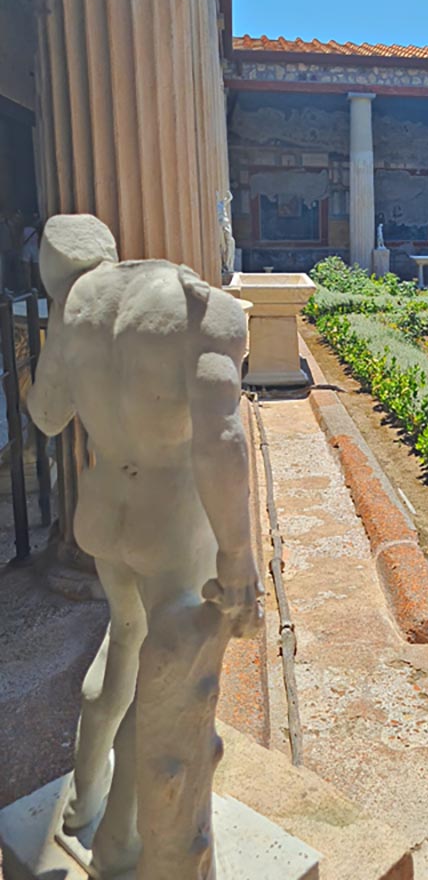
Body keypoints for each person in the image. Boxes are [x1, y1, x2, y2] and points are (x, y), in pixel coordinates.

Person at [27, 214, 263, 879]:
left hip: (105, 512)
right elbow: (221, 439)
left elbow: (46, 415)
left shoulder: (72, 310)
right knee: (164, 686)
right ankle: (118, 843)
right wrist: (237, 554)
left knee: (125, 638)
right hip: (170, 523)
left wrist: (67, 342)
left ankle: (84, 799)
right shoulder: (201, 309)